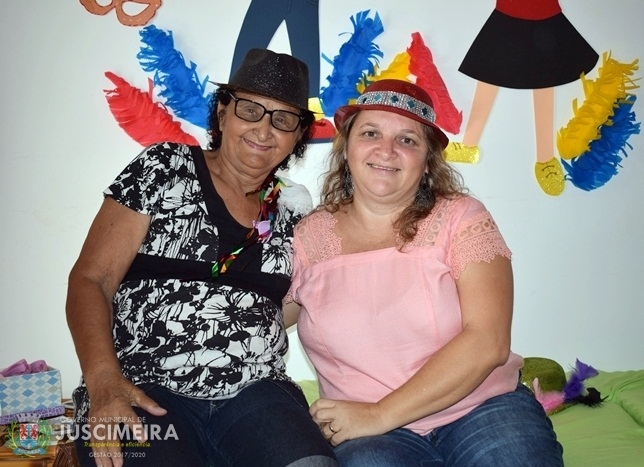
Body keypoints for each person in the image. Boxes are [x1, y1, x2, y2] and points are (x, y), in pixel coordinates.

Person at [66, 48, 337, 467]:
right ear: (223, 113)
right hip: (141, 383)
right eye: (251, 110)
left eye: (283, 119)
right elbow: (91, 279)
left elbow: (293, 306)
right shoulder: (163, 167)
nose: (264, 129)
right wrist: (103, 382)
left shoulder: (295, 213)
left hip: (257, 393)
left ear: (297, 135)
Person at [284, 79, 564, 466]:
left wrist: (379, 413)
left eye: (407, 140)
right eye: (370, 133)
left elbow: (489, 341)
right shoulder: (308, 236)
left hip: (481, 408)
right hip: (369, 433)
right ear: (346, 147)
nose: (386, 150)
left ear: (427, 159)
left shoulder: (461, 218)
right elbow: (260, 318)